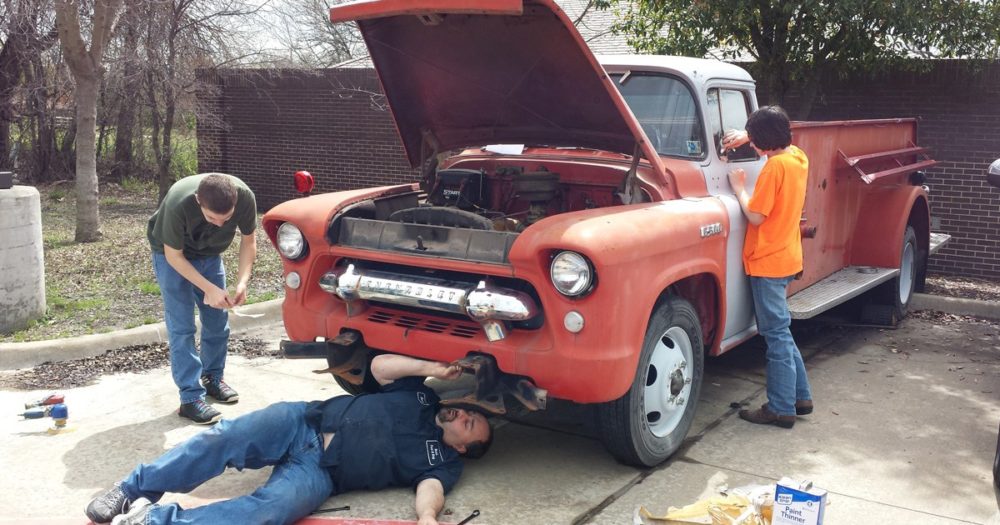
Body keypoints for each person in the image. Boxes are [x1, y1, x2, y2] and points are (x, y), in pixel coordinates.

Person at [84, 354, 493, 525]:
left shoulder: (443, 463)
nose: (464, 414)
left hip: (322, 471)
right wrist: (431, 368)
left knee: (274, 509)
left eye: (470, 424)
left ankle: (151, 521)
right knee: (223, 439)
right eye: (469, 412)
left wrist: (427, 518)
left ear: (461, 447)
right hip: (301, 421)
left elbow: (430, 490)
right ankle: (131, 488)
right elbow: (380, 367)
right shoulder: (423, 395)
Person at [723, 106, 814, 429]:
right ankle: (800, 397)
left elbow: (756, 216)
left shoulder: (774, 168)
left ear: (764, 140)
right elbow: (777, 130)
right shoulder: (798, 158)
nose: (751, 145)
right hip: (787, 256)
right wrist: (749, 134)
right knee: (782, 332)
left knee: (775, 336)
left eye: (754, 140)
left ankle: (780, 408)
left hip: (767, 261)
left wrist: (739, 188)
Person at [147, 173, 257, 424]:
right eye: (211, 218)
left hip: (209, 254)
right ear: (198, 200)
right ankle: (190, 398)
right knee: (182, 325)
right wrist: (209, 288)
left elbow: (249, 241)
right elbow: (174, 256)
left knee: (218, 321)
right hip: (171, 255)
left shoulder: (245, 197)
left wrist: (242, 281)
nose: (219, 224)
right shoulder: (178, 201)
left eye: (226, 219)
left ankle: (213, 378)